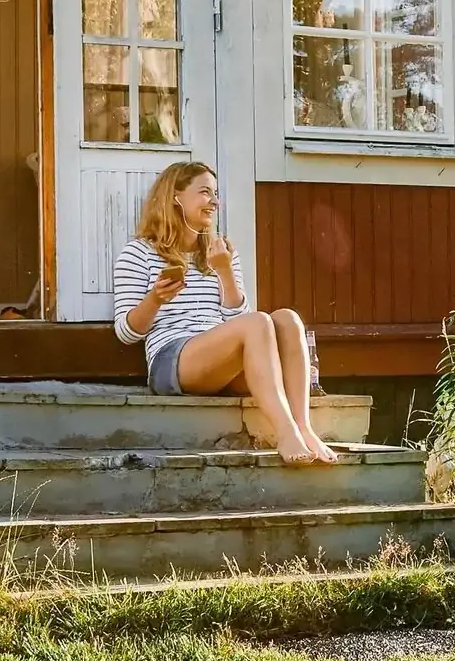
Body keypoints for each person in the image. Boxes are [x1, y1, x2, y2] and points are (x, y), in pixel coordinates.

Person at [110, 160, 338, 467]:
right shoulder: (138, 253)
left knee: (286, 319)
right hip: (173, 359)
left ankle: (303, 427)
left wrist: (224, 271)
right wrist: (155, 299)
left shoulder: (221, 253)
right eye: (205, 192)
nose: (214, 202)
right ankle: (284, 433)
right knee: (259, 321)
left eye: (216, 193)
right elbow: (126, 333)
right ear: (175, 196)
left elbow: (238, 319)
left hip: (221, 362)